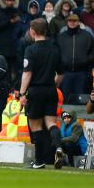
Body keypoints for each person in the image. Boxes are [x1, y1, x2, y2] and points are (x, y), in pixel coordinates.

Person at [19, 18, 65, 169]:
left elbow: (27, 74)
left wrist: (22, 93)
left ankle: (39, 161)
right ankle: (58, 147)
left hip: (36, 91)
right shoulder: (55, 49)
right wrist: (54, 85)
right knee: (51, 123)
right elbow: (61, 73)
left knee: (36, 126)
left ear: (32, 32)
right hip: (51, 90)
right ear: (46, 31)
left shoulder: (31, 50)